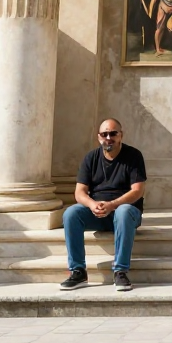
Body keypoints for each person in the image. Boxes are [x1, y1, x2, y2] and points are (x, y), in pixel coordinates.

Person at [60, 118, 146, 292]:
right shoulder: (90, 158)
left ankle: (120, 271)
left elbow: (137, 191)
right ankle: (78, 271)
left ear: (121, 135)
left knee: (123, 211)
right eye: (104, 134)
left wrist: (112, 205)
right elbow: (79, 193)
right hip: (99, 213)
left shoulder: (134, 156)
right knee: (71, 214)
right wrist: (92, 205)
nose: (108, 137)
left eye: (113, 133)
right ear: (99, 137)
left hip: (126, 213)